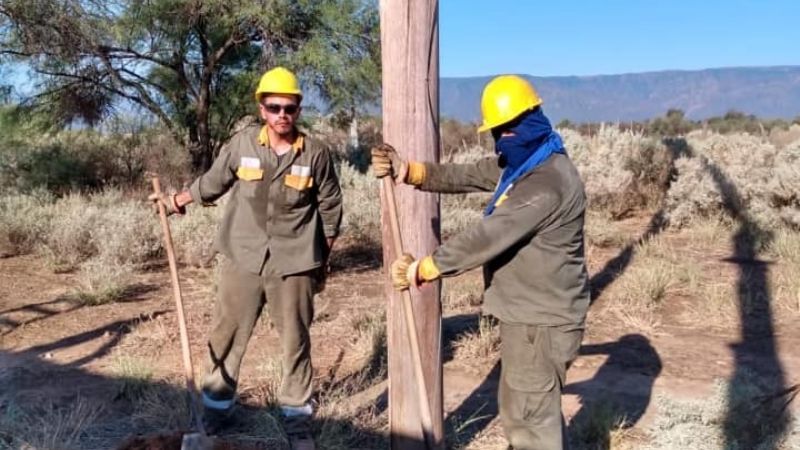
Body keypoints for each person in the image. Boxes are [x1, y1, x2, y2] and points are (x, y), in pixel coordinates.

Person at [372, 75, 590, 449]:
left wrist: (424, 268)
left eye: (509, 128)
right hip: (532, 319)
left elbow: (487, 236)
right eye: (498, 130)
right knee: (528, 413)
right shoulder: (529, 162)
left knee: (531, 422)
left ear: (532, 120)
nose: (503, 138)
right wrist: (412, 172)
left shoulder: (545, 183)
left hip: (540, 323)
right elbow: (472, 174)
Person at [150, 66, 342, 445]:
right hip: (244, 257)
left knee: (296, 339)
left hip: (295, 262)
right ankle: (216, 409)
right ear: (262, 108)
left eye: (289, 107)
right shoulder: (242, 145)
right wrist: (176, 201)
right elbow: (214, 181)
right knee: (227, 333)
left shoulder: (316, 154)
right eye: (274, 107)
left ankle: (296, 415)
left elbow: (331, 209)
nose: (282, 115)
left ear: (299, 109)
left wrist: (323, 261)